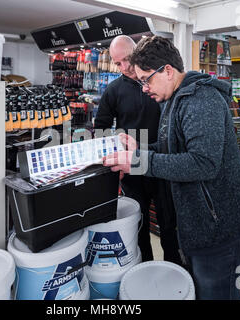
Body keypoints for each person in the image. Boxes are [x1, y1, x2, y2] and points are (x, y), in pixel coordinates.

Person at [103, 35, 240, 300]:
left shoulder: (201, 101)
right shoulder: (175, 98)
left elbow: (202, 164)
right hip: (202, 227)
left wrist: (138, 161)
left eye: (146, 80)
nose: (143, 88)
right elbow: (172, 147)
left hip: (224, 229)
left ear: (167, 71)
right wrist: (138, 150)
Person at [94, 35, 182, 265]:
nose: (124, 67)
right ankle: (144, 269)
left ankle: (174, 269)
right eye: (117, 63)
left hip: (163, 163)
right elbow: (101, 128)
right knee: (138, 224)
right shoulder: (113, 90)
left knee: (169, 223)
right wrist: (112, 157)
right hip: (131, 169)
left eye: (127, 60)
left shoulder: (162, 82)